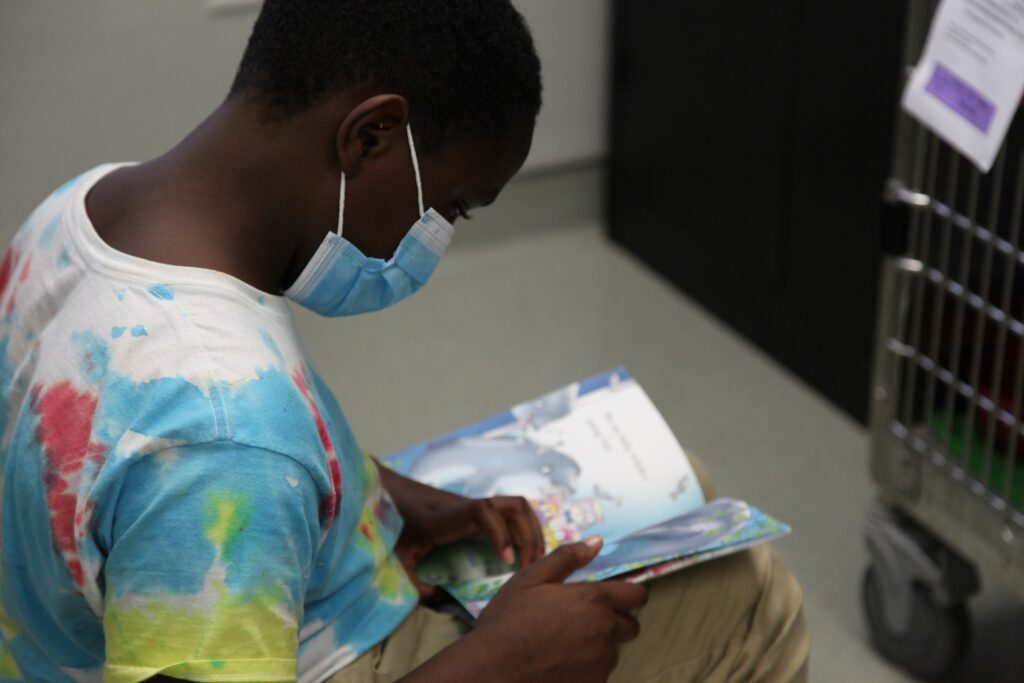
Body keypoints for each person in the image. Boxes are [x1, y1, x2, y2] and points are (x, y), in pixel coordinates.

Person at [0, 2, 809, 681]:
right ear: (372, 135)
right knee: (749, 591)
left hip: (175, 615)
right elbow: (213, 454)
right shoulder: (230, 432)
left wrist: (380, 496)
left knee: (686, 489)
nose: (435, 240)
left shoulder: (82, 209)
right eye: (450, 207)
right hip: (334, 655)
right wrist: (499, 663)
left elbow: (105, 465)